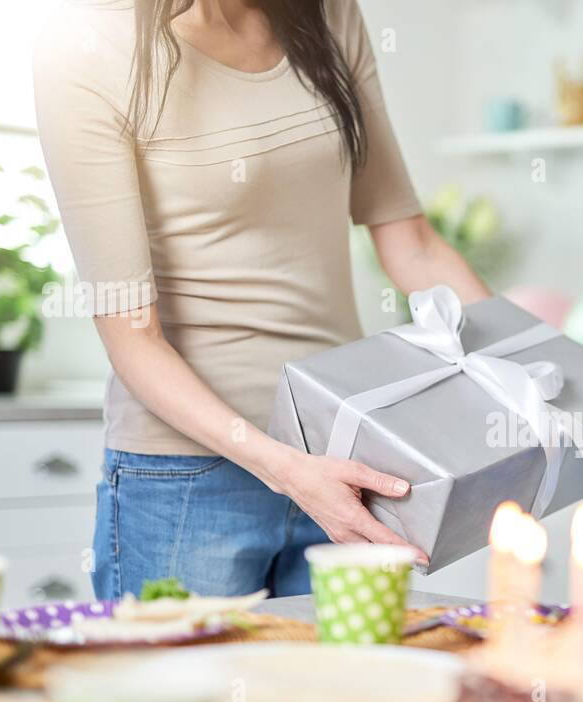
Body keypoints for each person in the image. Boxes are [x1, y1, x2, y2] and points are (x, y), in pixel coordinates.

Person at [33, 0, 493, 600]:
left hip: (343, 457)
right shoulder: (87, 46)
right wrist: (287, 471)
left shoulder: (328, 16)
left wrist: (548, 401)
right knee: (187, 695)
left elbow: (415, 247)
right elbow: (132, 338)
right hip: (188, 480)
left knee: (348, 693)